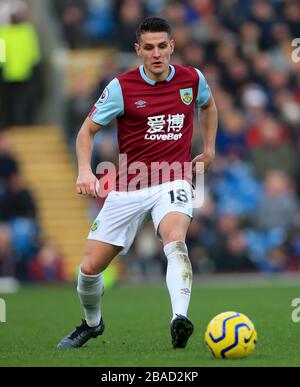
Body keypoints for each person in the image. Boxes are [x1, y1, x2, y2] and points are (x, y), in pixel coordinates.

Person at [57, 17, 218, 350]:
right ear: (138, 50)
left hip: (172, 179)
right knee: (89, 270)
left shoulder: (192, 79)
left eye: (162, 46)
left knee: (175, 240)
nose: (157, 54)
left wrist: (210, 150)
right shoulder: (121, 87)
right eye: (149, 47)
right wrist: (85, 171)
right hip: (129, 186)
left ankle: (179, 319)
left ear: (172, 46)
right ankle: (92, 323)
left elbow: (209, 105)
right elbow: (86, 131)